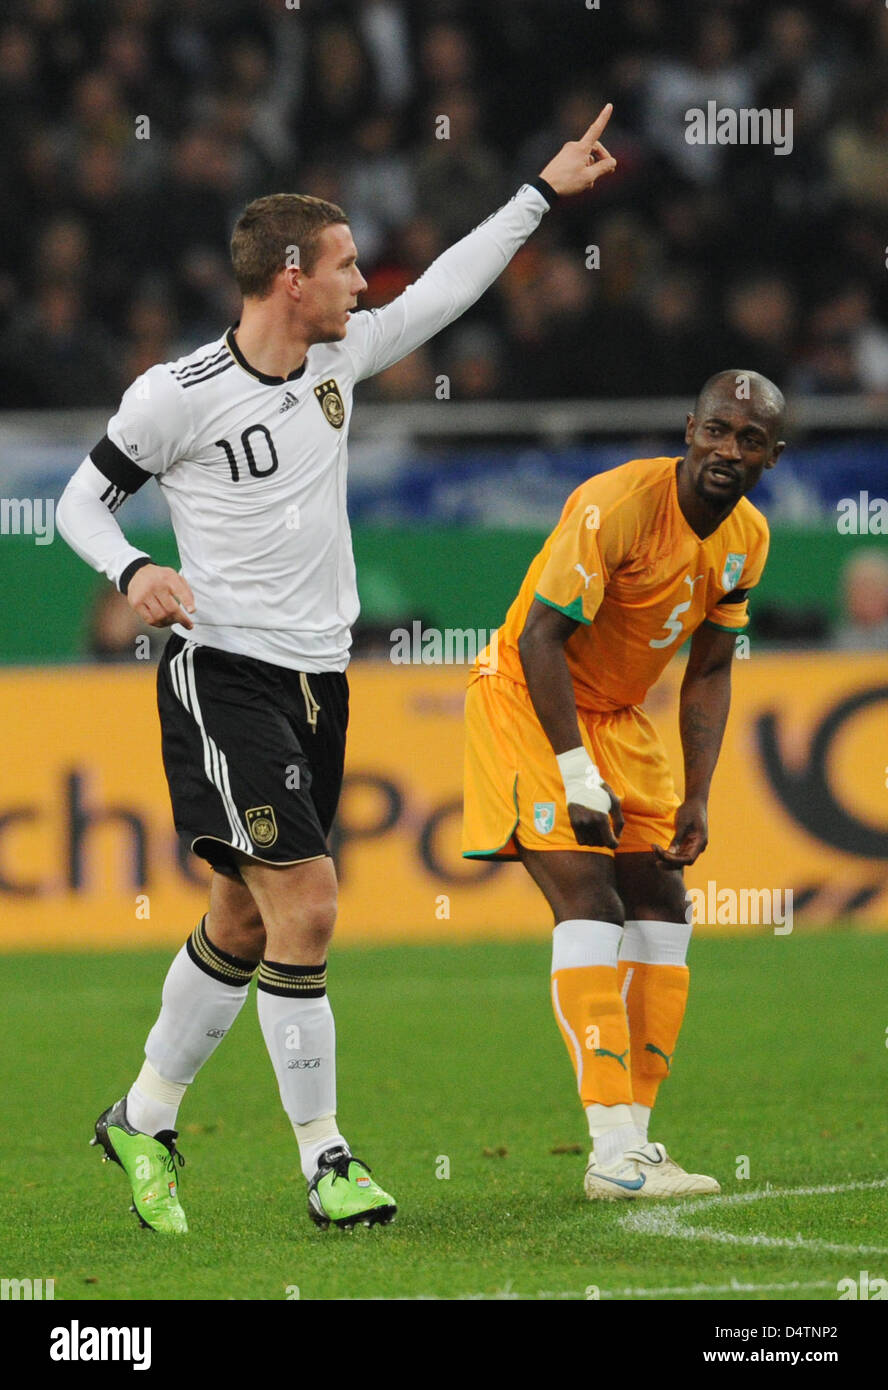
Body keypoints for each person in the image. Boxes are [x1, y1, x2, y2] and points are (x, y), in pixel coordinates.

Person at [55, 107, 617, 1234]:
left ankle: (143, 1113)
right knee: (307, 905)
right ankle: (329, 1162)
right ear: (293, 272)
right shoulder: (178, 394)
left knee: (246, 918)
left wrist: (542, 193)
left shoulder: (340, 358)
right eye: (352, 263)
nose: (368, 282)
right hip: (224, 673)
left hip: (322, 677)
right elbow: (77, 501)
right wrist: (131, 571)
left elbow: (447, 289)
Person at [462, 370, 784, 1200]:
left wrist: (699, 796)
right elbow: (541, 637)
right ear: (689, 428)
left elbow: (709, 671)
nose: (728, 449)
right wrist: (576, 776)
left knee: (664, 905)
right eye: (717, 429)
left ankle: (634, 1142)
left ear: (771, 457)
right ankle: (607, 1144)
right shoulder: (617, 504)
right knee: (591, 901)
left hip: (621, 716)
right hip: (530, 700)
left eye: (749, 440)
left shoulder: (748, 537)